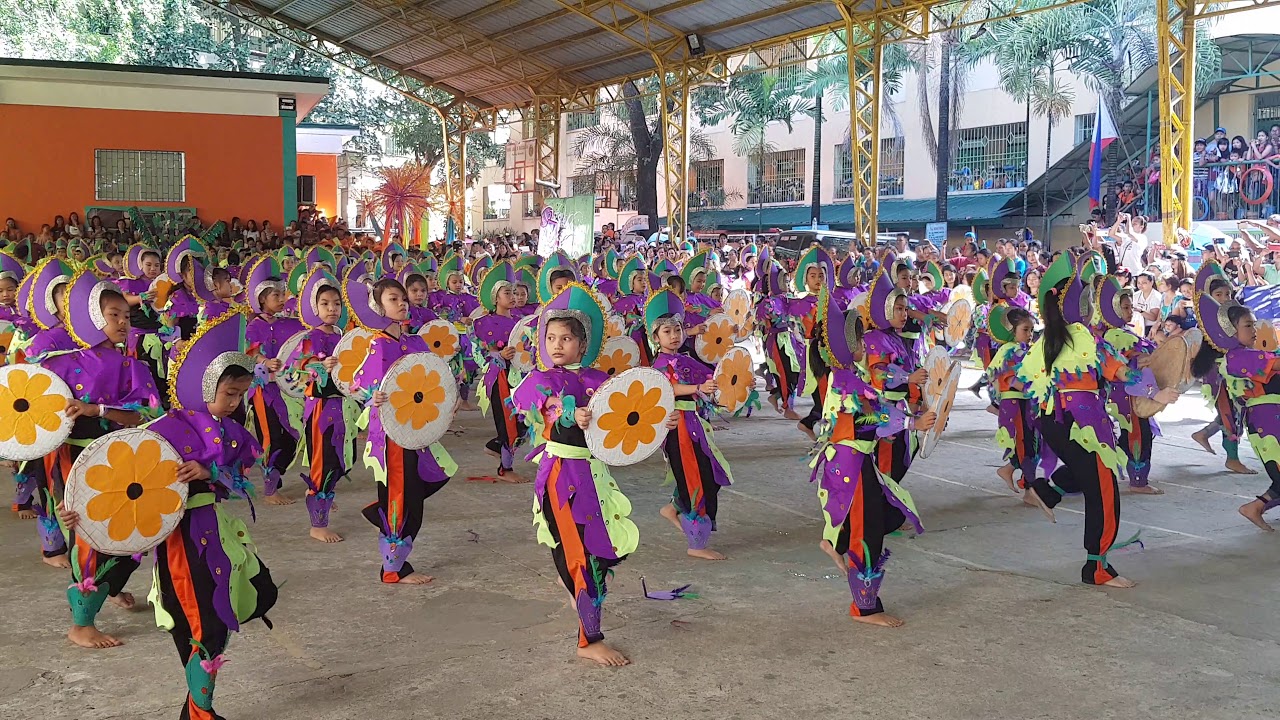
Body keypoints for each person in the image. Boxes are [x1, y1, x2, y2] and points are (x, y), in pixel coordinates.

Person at [1017, 254, 1178, 588]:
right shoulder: (1084, 337)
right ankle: (1097, 567)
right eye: (1086, 301)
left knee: (1089, 475)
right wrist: (1156, 393)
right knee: (1103, 488)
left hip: (1054, 419)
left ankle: (1046, 493)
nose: (1091, 308)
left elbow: (1024, 383)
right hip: (1085, 419)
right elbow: (1119, 372)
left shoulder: (1045, 340)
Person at [511, 284, 641, 666]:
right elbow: (546, 407)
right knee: (580, 556)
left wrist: (655, 419)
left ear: (582, 345)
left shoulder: (600, 379)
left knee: (601, 546)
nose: (556, 345)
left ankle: (569, 578)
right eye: (550, 337)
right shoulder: (542, 378)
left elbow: (622, 414)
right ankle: (589, 639)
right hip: (561, 474)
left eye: (565, 338)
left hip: (594, 474)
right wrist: (568, 413)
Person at [48, 270, 163, 647]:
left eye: (125, 316)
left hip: (120, 459)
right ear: (93, 318)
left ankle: (110, 587)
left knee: (133, 531)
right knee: (88, 535)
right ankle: (82, 623)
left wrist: (96, 409)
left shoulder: (131, 365)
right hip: (75, 461)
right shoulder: (57, 364)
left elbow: (142, 415)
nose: (122, 322)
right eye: (113, 315)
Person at [813, 289, 931, 627]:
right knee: (868, 530)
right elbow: (871, 416)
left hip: (853, 459)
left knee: (879, 517)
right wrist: (911, 422)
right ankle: (865, 607)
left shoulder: (847, 377)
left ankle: (834, 542)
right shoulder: (848, 381)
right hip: (851, 462)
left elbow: (871, 414)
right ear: (847, 348)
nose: (866, 347)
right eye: (860, 343)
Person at [350, 275, 457, 584]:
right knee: (401, 498)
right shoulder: (378, 345)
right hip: (392, 434)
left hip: (417, 427)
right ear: (379, 308)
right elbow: (362, 383)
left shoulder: (416, 342)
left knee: (429, 480)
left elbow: (431, 379)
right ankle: (393, 569)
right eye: (392, 299)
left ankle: (378, 512)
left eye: (402, 298)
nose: (401, 303)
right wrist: (374, 395)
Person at [646, 289, 732, 561]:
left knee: (710, 474)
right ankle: (696, 541)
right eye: (667, 331)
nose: (674, 335)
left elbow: (715, 378)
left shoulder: (687, 360)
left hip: (695, 424)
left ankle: (674, 507)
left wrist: (737, 381)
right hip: (677, 427)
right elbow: (667, 387)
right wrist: (697, 386)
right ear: (655, 337)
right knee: (695, 478)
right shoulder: (659, 364)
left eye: (678, 329)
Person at [287, 269, 354, 543]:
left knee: (341, 460)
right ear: (315, 308)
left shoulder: (343, 335)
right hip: (321, 409)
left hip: (342, 408)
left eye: (336, 304)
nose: (332, 309)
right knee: (323, 461)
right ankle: (318, 523)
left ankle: (322, 496)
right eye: (325, 304)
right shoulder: (310, 337)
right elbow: (298, 367)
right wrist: (319, 366)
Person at [243, 257, 304, 505]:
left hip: (287, 389)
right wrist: (263, 361)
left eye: (282, 294)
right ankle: (270, 488)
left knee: (292, 435)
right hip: (263, 389)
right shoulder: (252, 326)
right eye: (275, 295)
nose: (281, 299)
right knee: (271, 437)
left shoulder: (289, 323)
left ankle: (276, 475)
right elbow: (248, 351)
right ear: (261, 300)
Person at [472, 262, 528, 481]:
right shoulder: (483, 323)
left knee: (525, 422)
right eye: (507, 293)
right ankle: (506, 468)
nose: (512, 296)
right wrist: (498, 356)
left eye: (514, 292)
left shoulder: (520, 322)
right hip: (499, 377)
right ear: (496, 298)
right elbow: (478, 354)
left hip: (521, 377)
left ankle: (495, 446)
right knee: (508, 422)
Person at [987, 306, 1038, 495]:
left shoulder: (1024, 350)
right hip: (1015, 404)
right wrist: (1038, 390)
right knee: (1025, 444)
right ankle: (1030, 490)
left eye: (1032, 330)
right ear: (1012, 331)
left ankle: (1009, 470)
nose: (1030, 334)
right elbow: (1012, 380)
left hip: (1025, 403)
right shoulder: (1010, 352)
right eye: (1025, 330)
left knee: (1032, 443)